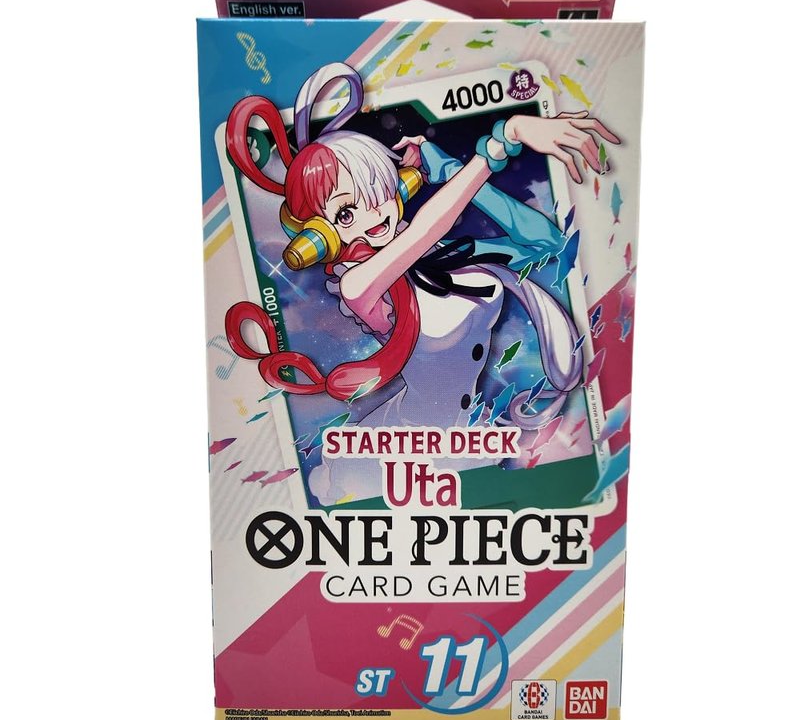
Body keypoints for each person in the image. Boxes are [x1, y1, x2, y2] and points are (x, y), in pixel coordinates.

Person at [224, 63, 619, 503]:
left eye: (378, 192)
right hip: (395, 452)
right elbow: (427, 227)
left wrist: (445, 167)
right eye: (346, 213)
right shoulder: (360, 285)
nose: (374, 215)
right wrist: (504, 138)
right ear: (322, 233)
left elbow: (542, 241)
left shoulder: (442, 256)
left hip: (463, 443)